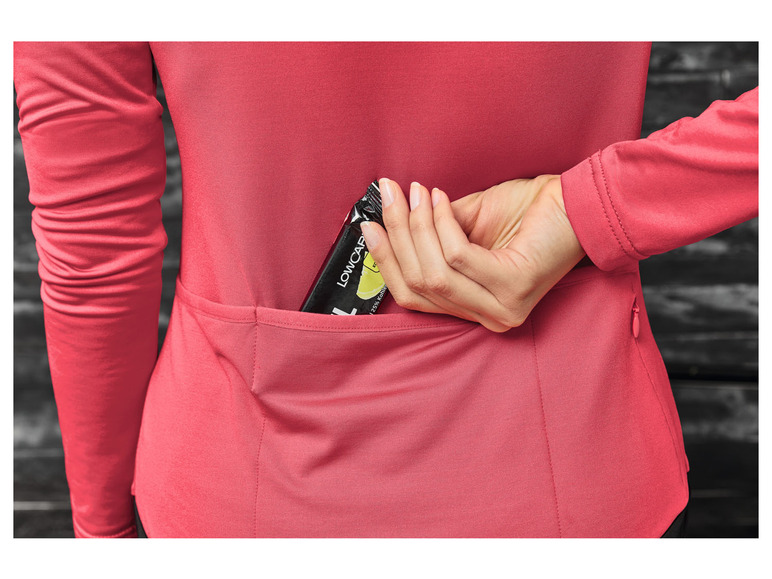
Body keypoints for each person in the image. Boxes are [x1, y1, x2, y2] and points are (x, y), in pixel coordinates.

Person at [14, 42, 757, 538]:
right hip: (576, 482)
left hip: (237, 499)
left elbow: (93, 254)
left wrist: (101, 534)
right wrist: (584, 210)